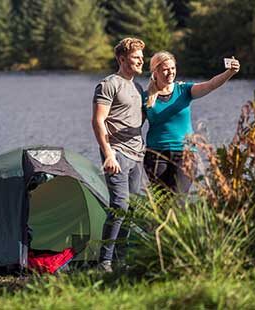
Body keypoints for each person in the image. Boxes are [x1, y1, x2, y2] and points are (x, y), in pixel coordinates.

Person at [143, 51, 240, 194]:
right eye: (165, 69)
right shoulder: (145, 97)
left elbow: (211, 84)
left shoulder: (184, 90)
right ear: (155, 71)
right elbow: (134, 125)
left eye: (173, 68)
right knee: (161, 204)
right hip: (155, 156)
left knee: (179, 199)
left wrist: (230, 72)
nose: (170, 72)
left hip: (185, 154)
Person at [91, 37, 146, 272]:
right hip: (117, 153)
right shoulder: (108, 84)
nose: (141, 61)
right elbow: (97, 121)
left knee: (132, 208)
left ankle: (120, 260)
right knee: (120, 206)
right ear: (122, 59)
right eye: (136, 57)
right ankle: (104, 262)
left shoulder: (139, 87)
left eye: (142, 57)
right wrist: (108, 155)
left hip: (137, 155)